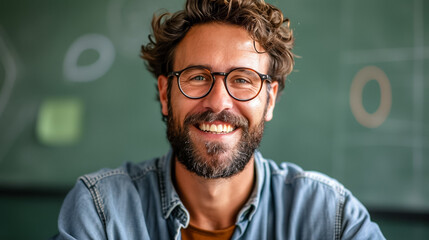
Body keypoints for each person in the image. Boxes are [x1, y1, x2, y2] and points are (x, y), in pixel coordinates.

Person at [53, 0, 385, 239]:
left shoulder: (331, 217)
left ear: (269, 99)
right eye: (197, 76)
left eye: (242, 79)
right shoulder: (101, 212)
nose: (218, 102)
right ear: (166, 93)